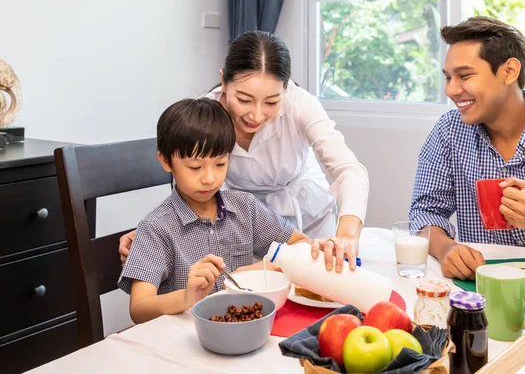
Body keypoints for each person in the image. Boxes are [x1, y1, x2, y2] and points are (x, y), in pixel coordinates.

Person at [120, 30, 370, 272]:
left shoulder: (301, 105)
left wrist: (347, 235)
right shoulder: (205, 116)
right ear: (223, 82)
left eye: (271, 102)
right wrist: (158, 234)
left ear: (285, 90)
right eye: (244, 99)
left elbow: (349, 171)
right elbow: (192, 189)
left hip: (309, 221)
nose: (256, 115)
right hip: (242, 225)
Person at [409, 16, 525, 280]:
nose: (452, 89)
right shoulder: (449, 130)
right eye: (448, 78)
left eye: (464, 76)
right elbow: (425, 212)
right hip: (480, 288)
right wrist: (446, 248)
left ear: (509, 71)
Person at [118, 98, 311, 324]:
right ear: (166, 161)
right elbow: (139, 309)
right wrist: (188, 296)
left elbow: (301, 245)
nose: (210, 178)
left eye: (220, 164)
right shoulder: (156, 229)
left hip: (245, 329)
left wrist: (255, 270)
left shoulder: (245, 207)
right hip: (183, 340)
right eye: (195, 167)